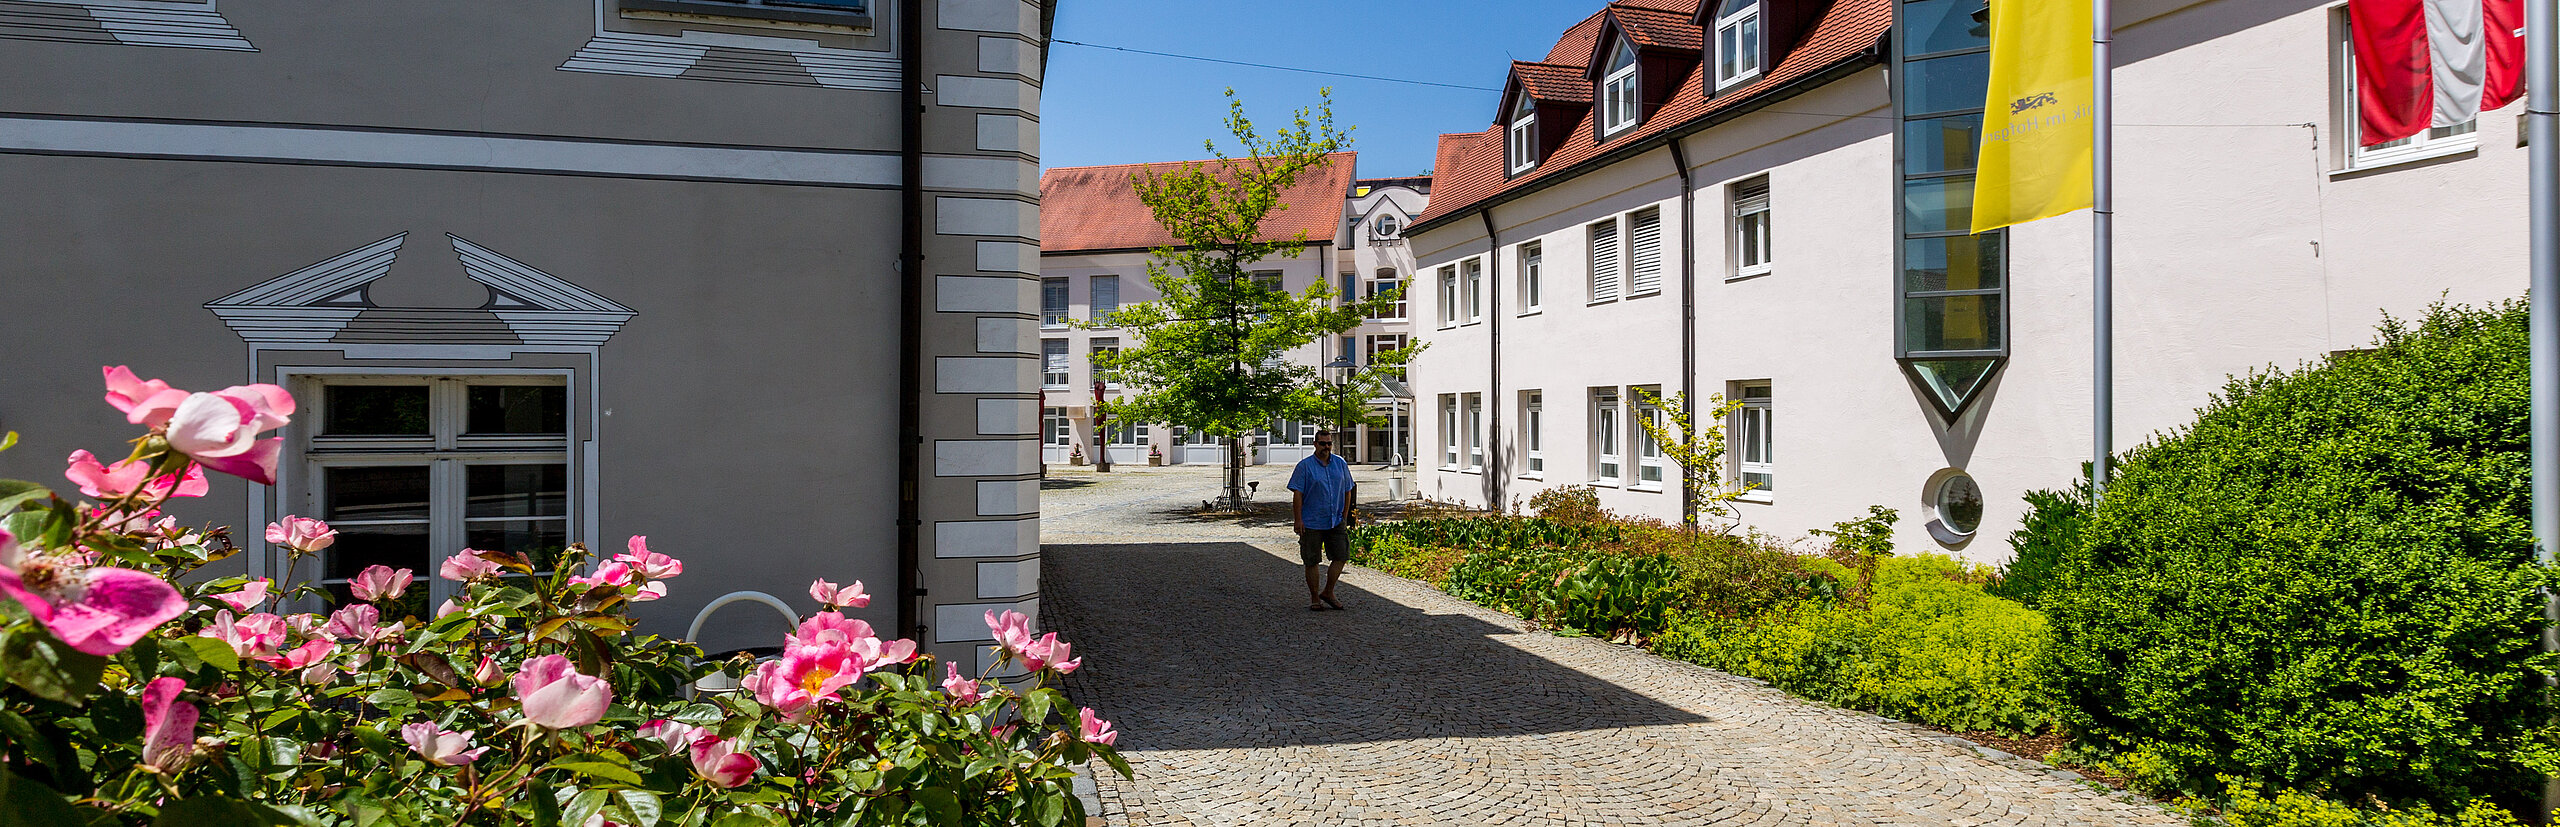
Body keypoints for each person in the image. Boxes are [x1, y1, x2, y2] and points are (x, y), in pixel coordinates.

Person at [1288, 429, 1356, 611]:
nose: (1326, 447)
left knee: (1341, 556)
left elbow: (1348, 489)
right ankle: (1314, 598)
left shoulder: (1340, 463)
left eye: (1329, 443)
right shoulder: (1304, 466)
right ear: (1315, 444)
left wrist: (1345, 515)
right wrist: (1298, 520)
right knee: (1311, 560)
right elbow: (1298, 494)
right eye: (1322, 443)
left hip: (1335, 520)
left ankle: (1328, 591)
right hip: (1311, 521)